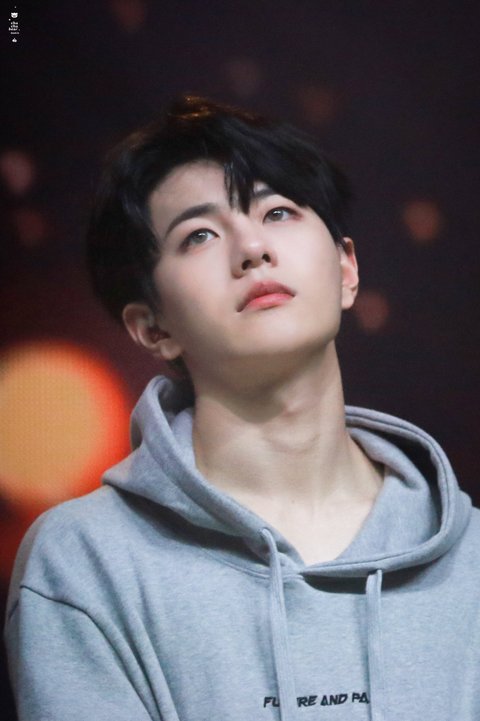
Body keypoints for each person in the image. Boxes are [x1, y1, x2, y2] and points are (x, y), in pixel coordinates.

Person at [4, 96, 480, 721]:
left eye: (278, 211)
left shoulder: (470, 558)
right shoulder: (84, 562)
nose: (252, 248)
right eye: (198, 234)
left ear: (347, 269)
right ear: (153, 327)